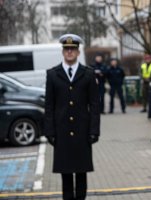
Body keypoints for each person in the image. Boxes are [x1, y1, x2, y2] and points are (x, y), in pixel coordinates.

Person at [44, 34, 100, 200]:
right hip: (61, 132)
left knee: (81, 175)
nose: (69, 52)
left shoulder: (88, 74)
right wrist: (50, 131)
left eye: (73, 49)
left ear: (78, 51)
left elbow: (95, 105)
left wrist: (94, 130)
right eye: (66, 49)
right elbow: (49, 106)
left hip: (82, 132)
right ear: (62, 51)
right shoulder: (53, 74)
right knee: (66, 176)